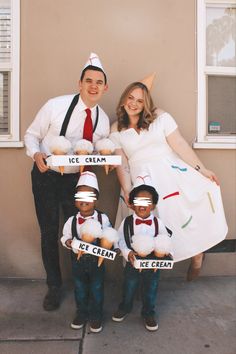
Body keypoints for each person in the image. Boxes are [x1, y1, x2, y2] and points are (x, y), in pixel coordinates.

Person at [110, 77, 228, 281]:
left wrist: (202, 170)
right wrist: (127, 189)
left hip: (170, 176)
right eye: (130, 98)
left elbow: (180, 145)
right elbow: (122, 163)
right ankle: (143, 277)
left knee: (180, 219)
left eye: (140, 101)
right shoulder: (115, 129)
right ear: (123, 99)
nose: (134, 104)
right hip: (141, 182)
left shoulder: (160, 117)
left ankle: (197, 255)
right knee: (145, 228)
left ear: (146, 103)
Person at [24, 53, 110, 311]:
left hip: (77, 181)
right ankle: (54, 287)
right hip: (46, 177)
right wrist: (36, 154)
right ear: (79, 83)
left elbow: (97, 151)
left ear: (105, 87)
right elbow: (31, 135)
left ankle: (83, 282)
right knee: (49, 232)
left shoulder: (102, 120)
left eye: (98, 82)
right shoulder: (55, 105)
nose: (93, 86)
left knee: (80, 231)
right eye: (88, 81)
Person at [112, 176, 171, 331]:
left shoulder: (159, 223)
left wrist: (165, 253)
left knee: (151, 288)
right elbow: (120, 240)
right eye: (138, 201)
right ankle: (125, 306)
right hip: (133, 261)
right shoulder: (127, 222)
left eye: (147, 202)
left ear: (153, 205)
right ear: (132, 205)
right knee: (129, 285)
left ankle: (148, 313)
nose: (142, 205)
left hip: (153, 264)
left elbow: (165, 239)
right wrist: (128, 253)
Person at [61, 171, 111, 333]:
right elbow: (65, 237)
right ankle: (81, 313)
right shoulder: (71, 221)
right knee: (80, 288)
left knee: (97, 289)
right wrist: (68, 242)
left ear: (95, 200)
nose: (84, 201)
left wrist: (108, 244)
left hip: (97, 263)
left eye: (88, 197)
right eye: (80, 197)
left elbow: (109, 236)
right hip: (78, 263)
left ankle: (96, 316)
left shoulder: (103, 219)